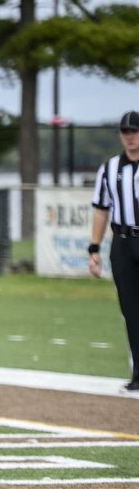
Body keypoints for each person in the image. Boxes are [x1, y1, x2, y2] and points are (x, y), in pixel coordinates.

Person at [88, 110, 139, 395]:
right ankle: (138, 373)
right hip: (122, 240)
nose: (130, 137)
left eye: (134, 131)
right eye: (125, 132)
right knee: (130, 310)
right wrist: (94, 247)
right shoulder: (110, 169)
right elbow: (101, 209)